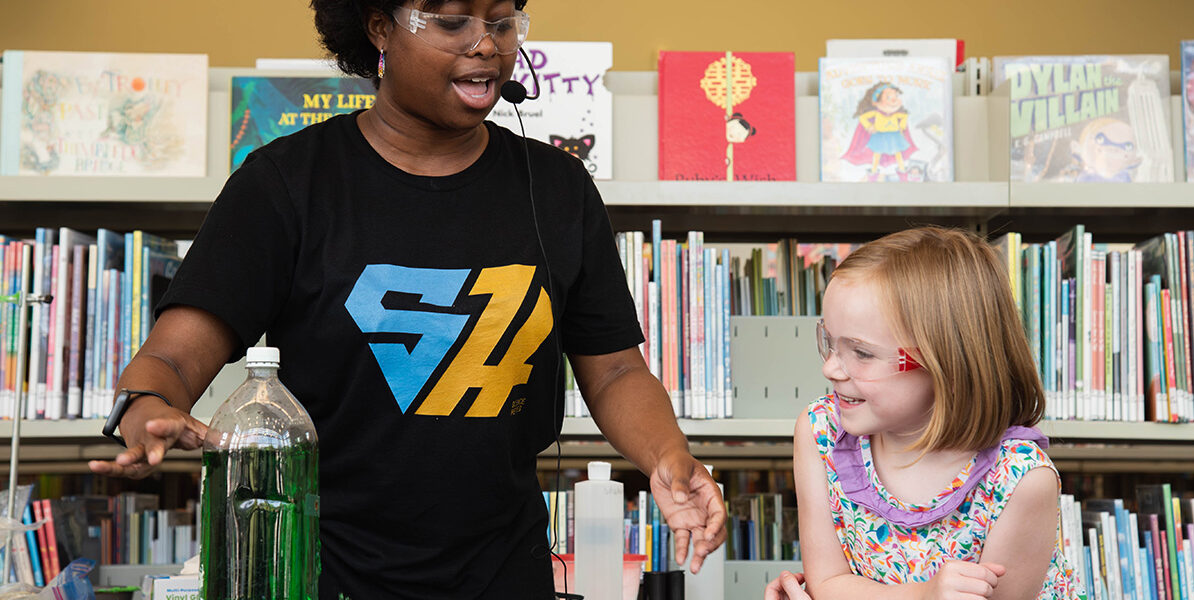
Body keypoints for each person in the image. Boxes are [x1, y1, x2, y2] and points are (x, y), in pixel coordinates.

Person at [87, 0, 726, 597]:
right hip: (326, 572)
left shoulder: (557, 187)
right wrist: (146, 408)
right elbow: (172, 359)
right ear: (378, 28)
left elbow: (614, 369)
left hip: (507, 572)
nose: (485, 45)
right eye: (451, 22)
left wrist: (667, 455)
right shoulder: (286, 183)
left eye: (503, 23)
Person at [766, 227, 1081, 600]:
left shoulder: (1019, 480)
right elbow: (830, 583)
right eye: (830, 343)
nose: (831, 369)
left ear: (945, 361)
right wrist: (922, 596)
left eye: (862, 353)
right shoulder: (821, 431)